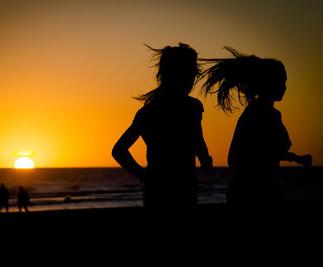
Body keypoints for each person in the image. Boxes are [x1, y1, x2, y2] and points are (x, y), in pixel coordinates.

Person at [201, 47, 312, 210]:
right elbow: (243, 156)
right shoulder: (262, 113)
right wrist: (294, 157)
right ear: (269, 83)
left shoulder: (260, 112)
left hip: (254, 188)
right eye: (282, 81)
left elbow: (264, 150)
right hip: (255, 191)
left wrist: (294, 158)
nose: (285, 87)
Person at [112, 43, 212, 212]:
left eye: (192, 75)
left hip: (164, 189)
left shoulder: (148, 111)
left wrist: (143, 174)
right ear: (172, 75)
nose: (191, 81)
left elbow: (119, 150)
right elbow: (197, 139)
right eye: (188, 75)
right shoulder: (191, 107)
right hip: (179, 187)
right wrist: (204, 157)